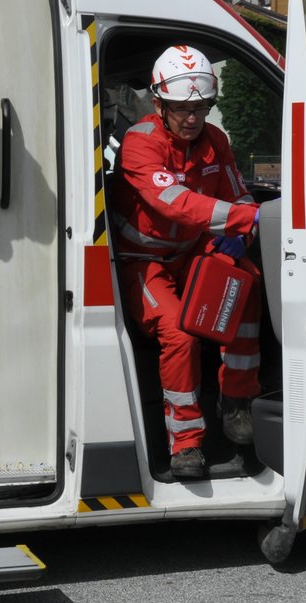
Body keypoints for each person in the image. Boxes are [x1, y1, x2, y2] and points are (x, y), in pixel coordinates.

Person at [112, 45, 262, 480]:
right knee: (178, 333)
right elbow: (175, 204)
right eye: (182, 109)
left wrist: (240, 233)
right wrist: (245, 219)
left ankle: (237, 401)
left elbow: (239, 195)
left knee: (246, 280)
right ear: (159, 104)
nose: (193, 119)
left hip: (192, 253)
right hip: (144, 262)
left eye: (201, 108)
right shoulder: (141, 143)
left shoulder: (216, 141)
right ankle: (187, 444)